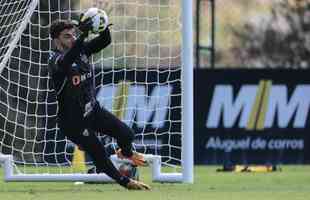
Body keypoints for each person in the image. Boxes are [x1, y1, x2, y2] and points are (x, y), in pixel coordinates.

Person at [48, 16, 150, 190]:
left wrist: (101, 25)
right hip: (73, 122)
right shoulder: (55, 60)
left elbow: (105, 40)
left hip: (93, 111)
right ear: (56, 40)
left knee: (126, 134)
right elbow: (67, 61)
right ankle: (126, 182)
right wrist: (83, 36)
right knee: (98, 152)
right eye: (67, 36)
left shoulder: (82, 51)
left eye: (74, 35)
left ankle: (125, 153)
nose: (72, 38)